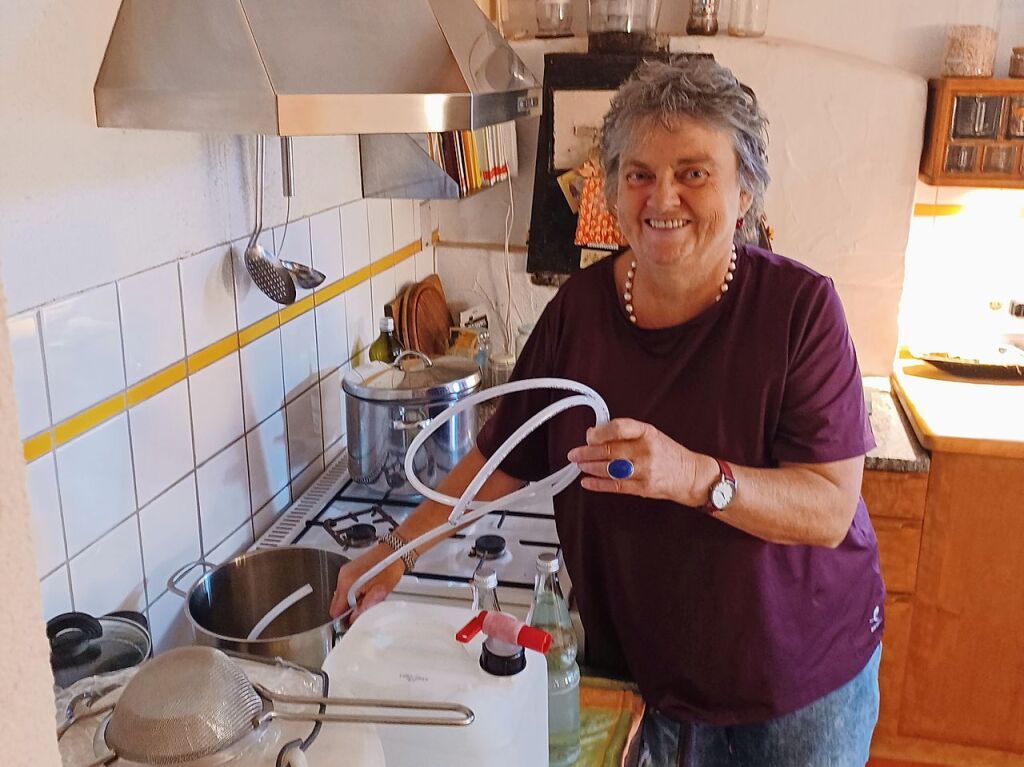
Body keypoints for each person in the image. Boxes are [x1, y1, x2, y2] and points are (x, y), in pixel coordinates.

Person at [331, 56, 883, 767]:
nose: (663, 197)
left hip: (797, 687)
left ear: (744, 192)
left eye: (694, 172)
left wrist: (690, 475)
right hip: (644, 673)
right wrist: (395, 551)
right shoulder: (581, 312)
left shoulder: (799, 311)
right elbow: (505, 456)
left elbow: (827, 508)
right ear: (614, 193)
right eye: (640, 173)